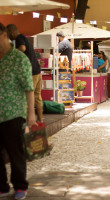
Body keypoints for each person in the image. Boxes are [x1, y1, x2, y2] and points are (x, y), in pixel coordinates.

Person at [0, 22, 36, 200]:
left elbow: (29, 88)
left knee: (16, 153)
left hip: (13, 113)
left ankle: (20, 186)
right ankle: (2, 186)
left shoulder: (19, 59)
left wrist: (31, 113)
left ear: (4, 35)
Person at [7, 24, 43, 123]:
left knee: (28, 97)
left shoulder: (19, 37)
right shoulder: (25, 38)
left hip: (30, 72)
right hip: (37, 71)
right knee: (37, 97)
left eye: (8, 34)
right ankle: (40, 120)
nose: (8, 37)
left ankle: (28, 122)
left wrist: (11, 53)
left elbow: (22, 48)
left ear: (11, 31)